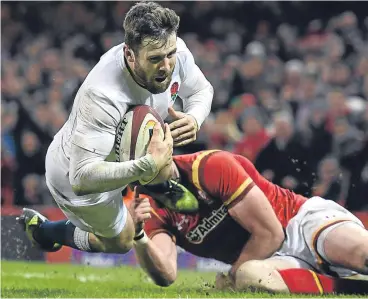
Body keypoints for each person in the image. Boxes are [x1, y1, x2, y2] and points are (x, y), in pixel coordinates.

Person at [17, 2, 213, 255]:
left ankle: (158, 185)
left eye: (170, 54)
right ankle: (45, 231)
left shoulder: (173, 50)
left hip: (127, 154)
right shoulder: (101, 93)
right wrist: (147, 166)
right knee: (120, 243)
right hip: (76, 172)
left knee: (159, 145)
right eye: (154, 59)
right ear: (130, 54)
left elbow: (201, 89)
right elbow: (81, 178)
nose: (166, 66)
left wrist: (195, 118)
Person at [128, 150, 368, 292]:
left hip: (301, 222)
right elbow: (166, 274)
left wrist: (231, 277)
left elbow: (271, 233)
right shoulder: (148, 205)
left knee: (363, 254)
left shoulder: (209, 165)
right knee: (251, 277)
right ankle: (353, 288)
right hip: (271, 260)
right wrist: (138, 236)